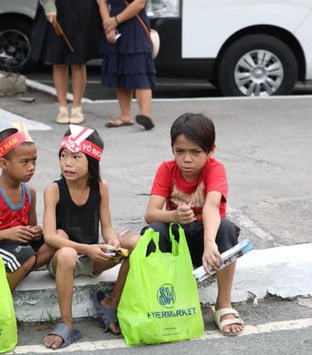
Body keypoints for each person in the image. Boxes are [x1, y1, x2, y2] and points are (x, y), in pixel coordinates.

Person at [98, 112, 245, 336]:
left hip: (206, 247)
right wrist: (174, 216)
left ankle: (223, 303)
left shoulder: (215, 169)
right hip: (175, 245)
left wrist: (209, 244)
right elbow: (151, 213)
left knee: (226, 228)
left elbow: (212, 207)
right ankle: (123, 299)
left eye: (195, 152)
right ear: (172, 149)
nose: (187, 159)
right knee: (154, 231)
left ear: (210, 150)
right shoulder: (167, 169)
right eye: (180, 151)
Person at [41, 124, 128, 349]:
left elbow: (107, 227)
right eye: (63, 156)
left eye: (76, 157)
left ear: (92, 162)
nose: (67, 163)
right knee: (68, 251)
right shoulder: (54, 189)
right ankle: (66, 323)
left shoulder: (101, 187)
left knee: (136, 242)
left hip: (92, 258)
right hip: (62, 261)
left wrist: (112, 241)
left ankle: (111, 302)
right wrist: (86, 248)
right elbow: (49, 236)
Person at [0, 125, 55, 291]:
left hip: (18, 248)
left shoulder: (29, 192)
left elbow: (31, 229)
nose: (31, 167)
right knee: (27, 257)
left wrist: (35, 232)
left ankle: (19, 268)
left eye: (34, 160)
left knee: (55, 240)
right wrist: (6, 234)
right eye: (24, 162)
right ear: (4, 163)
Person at [30, 0, 102, 125]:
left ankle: (77, 107)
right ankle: (62, 107)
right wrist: (49, 5)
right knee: (58, 59)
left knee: (78, 59)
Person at [99, 0, 156, 130]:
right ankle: (125, 115)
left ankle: (145, 114)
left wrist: (116, 20)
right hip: (114, 25)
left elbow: (139, 3)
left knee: (139, 69)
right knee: (120, 69)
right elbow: (103, 2)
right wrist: (108, 24)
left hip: (134, 24)